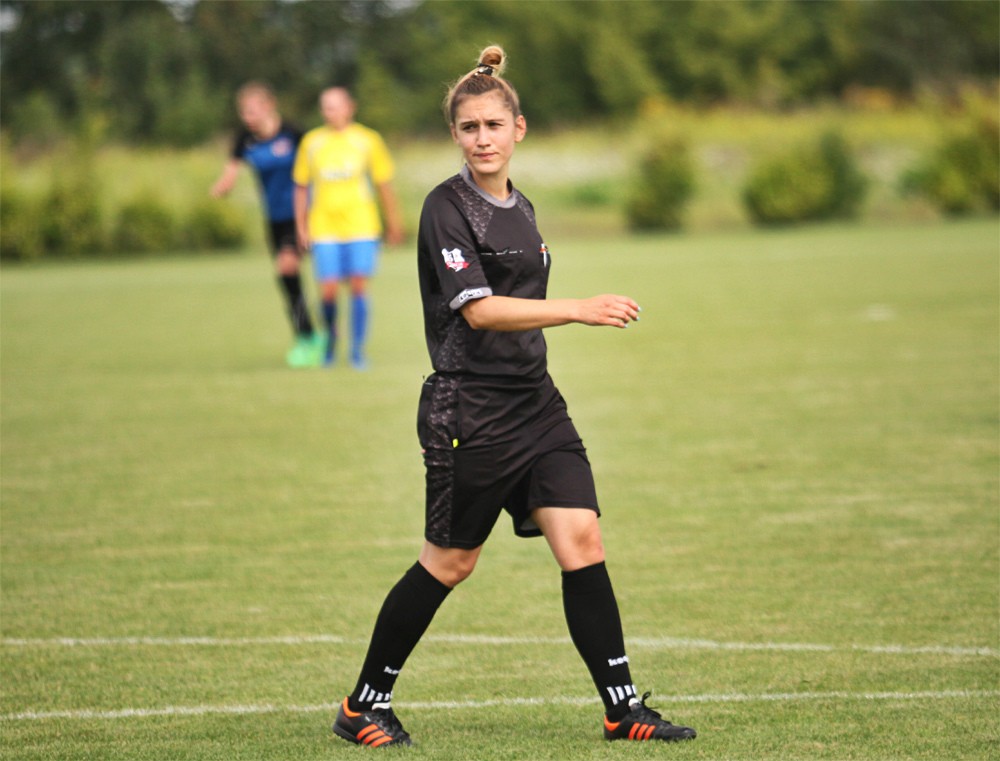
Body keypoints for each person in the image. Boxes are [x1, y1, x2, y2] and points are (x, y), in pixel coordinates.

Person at [330, 46, 697, 748]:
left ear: (518, 128)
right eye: (469, 128)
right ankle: (362, 705)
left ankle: (622, 708)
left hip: (537, 405)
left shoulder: (521, 206)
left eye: (494, 125)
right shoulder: (445, 207)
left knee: (582, 538)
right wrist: (578, 308)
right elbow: (478, 310)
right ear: (455, 135)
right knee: (451, 562)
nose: (482, 138)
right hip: (470, 412)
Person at [211, 82, 321, 368]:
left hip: (305, 214)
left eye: (252, 111)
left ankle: (314, 335)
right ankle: (308, 336)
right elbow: (231, 170)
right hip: (274, 219)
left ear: (269, 106)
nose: (247, 117)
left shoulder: (293, 133)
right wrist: (223, 186)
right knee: (288, 277)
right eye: (243, 112)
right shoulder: (244, 140)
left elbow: (318, 162)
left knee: (291, 268)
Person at [292, 87, 404, 369]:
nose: (330, 112)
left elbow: (383, 184)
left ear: (349, 107)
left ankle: (357, 350)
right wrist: (301, 226)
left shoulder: (368, 140)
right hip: (324, 226)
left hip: (361, 226)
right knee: (328, 290)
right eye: (325, 106)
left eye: (335, 106)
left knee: (358, 285)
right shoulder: (312, 142)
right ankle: (330, 342)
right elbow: (301, 187)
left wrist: (393, 222)